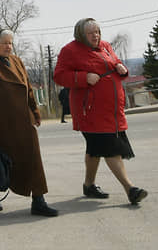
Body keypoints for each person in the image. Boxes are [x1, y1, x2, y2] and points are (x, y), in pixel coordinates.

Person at [54, 18, 148, 205]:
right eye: (91, 33)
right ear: (81, 34)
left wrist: (121, 69)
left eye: (97, 31)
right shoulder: (70, 51)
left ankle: (89, 185)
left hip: (112, 111)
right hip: (89, 112)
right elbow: (59, 76)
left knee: (95, 150)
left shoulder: (105, 46)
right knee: (110, 149)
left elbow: (113, 62)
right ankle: (130, 189)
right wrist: (83, 77)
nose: (95, 35)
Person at [0, 29, 59, 217]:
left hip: (23, 123)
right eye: (4, 43)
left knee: (33, 160)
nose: (8, 47)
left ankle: (39, 201)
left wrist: (34, 111)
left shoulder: (18, 62)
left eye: (10, 43)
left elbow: (28, 90)